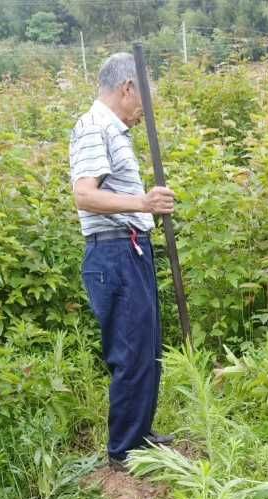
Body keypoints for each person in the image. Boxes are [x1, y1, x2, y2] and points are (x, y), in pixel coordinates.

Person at [69, 52, 176, 471]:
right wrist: (141, 201)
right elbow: (84, 194)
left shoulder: (114, 131)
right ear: (128, 88)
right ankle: (123, 453)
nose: (144, 110)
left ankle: (139, 435)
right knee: (130, 351)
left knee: (147, 346)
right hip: (112, 251)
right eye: (143, 99)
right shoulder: (94, 127)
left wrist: (143, 208)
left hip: (130, 246)